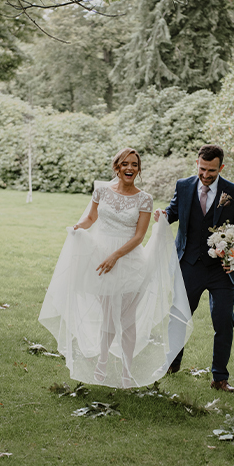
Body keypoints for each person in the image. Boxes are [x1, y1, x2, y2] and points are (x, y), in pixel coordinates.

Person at [39, 148, 192, 388]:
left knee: (126, 318)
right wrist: (78, 228)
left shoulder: (144, 199)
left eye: (134, 164)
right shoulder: (101, 191)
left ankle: (127, 368)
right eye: (125, 164)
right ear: (117, 168)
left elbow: (140, 236)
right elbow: (91, 218)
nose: (130, 168)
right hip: (101, 260)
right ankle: (102, 361)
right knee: (108, 317)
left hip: (130, 261)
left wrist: (115, 257)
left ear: (138, 170)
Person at [154, 144, 234, 392]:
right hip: (189, 265)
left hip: (222, 270)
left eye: (211, 170)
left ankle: (220, 378)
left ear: (221, 167)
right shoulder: (183, 186)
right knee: (179, 317)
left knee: (224, 322)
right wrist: (162, 215)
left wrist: (233, 257)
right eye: (202, 169)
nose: (206, 175)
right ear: (196, 163)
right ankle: (172, 363)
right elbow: (173, 212)